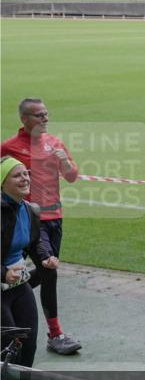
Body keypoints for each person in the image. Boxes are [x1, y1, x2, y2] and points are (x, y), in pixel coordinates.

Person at [1, 98, 81, 355]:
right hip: (22, 219)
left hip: (52, 218)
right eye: (39, 115)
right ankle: (56, 334)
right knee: (42, 271)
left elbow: (71, 177)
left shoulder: (55, 143)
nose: (45, 119)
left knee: (47, 272)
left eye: (46, 114)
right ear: (24, 119)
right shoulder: (9, 147)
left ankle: (12, 290)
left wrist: (64, 162)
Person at [2, 157, 58, 367]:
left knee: (28, 344)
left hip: (18, 285)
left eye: (26, 173)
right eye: (17, 175)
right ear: (2, 183)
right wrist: (3, 273)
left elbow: (35, 242)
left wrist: (45, 258)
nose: (25, 178)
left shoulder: (30, 209)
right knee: (7, 348)